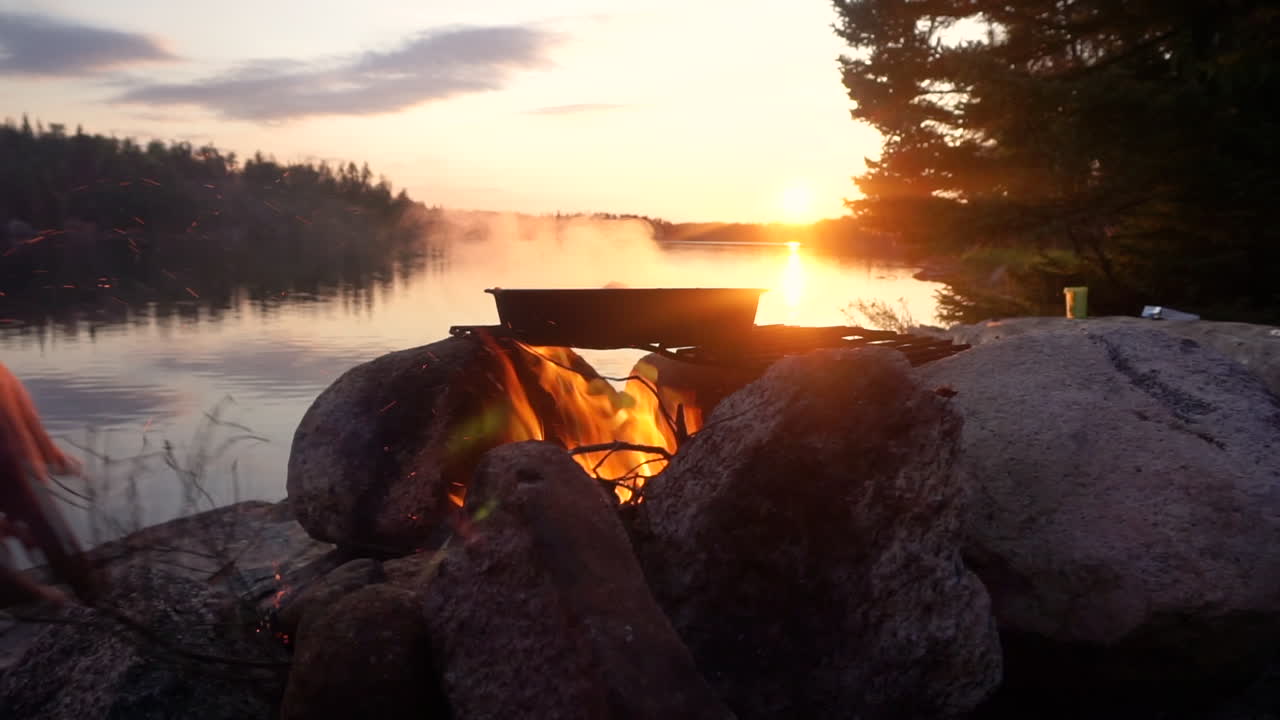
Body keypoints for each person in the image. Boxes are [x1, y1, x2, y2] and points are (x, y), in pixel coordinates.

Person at [0, 362, 96, 606]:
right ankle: (79, 594)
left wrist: (53, 456)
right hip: (22, 473)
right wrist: (52, 456)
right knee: (55, 539)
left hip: (20, 473)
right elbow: (30, 419)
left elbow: (27, 418)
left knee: (55, 541)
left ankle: (76, 596)